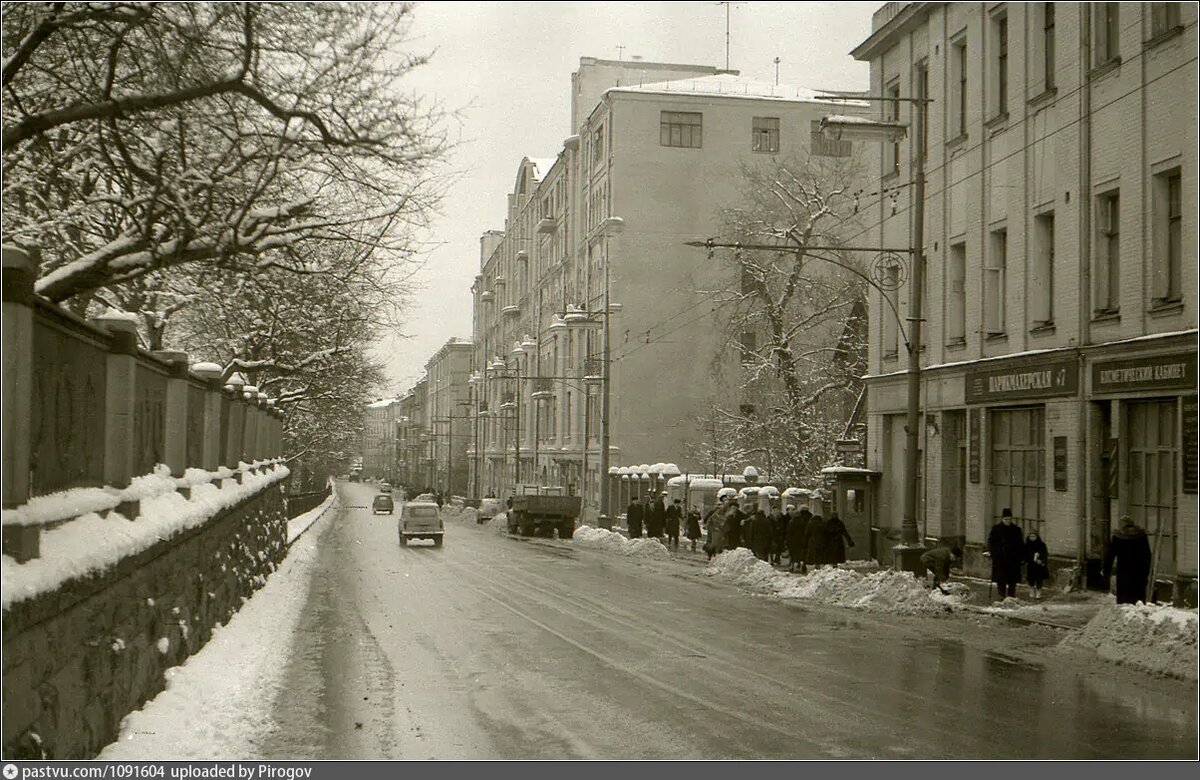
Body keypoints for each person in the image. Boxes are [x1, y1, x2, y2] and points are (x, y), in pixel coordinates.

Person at [1103, 515, 1152, 605]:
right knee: (1138, 601)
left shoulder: (1118, 537)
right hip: (1139, 573)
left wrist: (1106, 572)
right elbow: (1147, 555)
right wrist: (1146, 572)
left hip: (1123, 573)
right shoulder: (1141, 536)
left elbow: (1110, 556)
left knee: (1124, 601)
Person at [987, 508, 1024, 600]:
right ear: (1002, 519)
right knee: (1001, 579)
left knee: (1012, 580)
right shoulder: (996, 529)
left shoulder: (1016, 530)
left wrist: (1021, 557)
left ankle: (1011, 596)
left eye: (1009, 519)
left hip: (1013, 559)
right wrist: (994, 554)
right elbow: (991, 542)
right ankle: (1001, 595)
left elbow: (1021, 544)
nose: (1008, 521)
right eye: (1006, 519)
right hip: (1001, 558)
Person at [1023, 531, 1050, 600]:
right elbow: (1024, 554)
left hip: (1039, 565)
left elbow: (1044, 554)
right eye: (1030, 536)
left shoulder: (1041, 545)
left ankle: (1038, 592)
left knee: (1039, 579)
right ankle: (1032, 590)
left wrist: (1041, 560)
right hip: (1031, 564)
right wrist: (1026, 561)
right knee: (1031, 578)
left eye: (1034, 536)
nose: (1032, 538)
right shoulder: (1027, 545)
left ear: (1037, 537)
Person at [786, 507, 810, 572]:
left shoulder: (791, 523)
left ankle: (792, 566)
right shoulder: (802, 523)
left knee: (793, 555)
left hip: (793, 542)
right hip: (800, 541)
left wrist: (787, 541)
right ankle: (801, 565)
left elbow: (788, 533)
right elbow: (805, 532)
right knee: (801, 554)